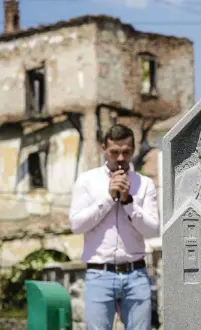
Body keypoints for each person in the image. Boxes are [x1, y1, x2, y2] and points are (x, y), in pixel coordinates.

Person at [68, 124, 160, 330]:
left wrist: (128, 203)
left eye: (126, 152)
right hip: (99, 273)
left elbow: (153, 230)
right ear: (104, 149)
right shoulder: (86, 181)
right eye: (114, 152)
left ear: (133, 149)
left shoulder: (144, 184)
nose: (120, 158)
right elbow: (75, 225)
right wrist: (108, 198)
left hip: (136, 273)